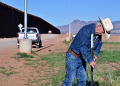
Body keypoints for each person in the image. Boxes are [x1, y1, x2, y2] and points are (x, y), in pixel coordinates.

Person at [61, 16, 113, 86]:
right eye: (103, 31)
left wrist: (95, 54)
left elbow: (99, 44)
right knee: (69, 81)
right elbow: (83, 48)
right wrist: (90, 61)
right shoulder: (86, 31)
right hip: (73, 57)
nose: (102, 34)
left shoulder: (98, 34)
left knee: (82, 81)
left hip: (82, 59)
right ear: (99, 26)